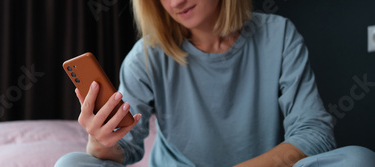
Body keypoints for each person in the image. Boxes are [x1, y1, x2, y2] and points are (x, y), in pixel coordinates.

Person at [56, 0, 375, 166]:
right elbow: (126, 148)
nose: (175, 3)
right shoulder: (146, 56)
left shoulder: (278, 35)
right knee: (71, 163)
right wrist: (99, 143)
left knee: (359, 159)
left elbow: (314, 133)